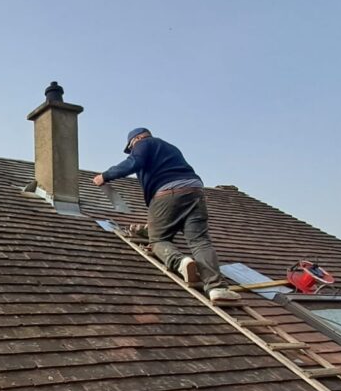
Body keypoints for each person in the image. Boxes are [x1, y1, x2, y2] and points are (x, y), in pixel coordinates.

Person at [93, 128, 240, 303]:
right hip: (195, 191)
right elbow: (172, 221)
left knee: (158, 241)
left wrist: (105, 176)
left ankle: (180, 262)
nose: (132, 149)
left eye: (131, 146)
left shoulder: (144, 144)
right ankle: (217, 288)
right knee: (200, 241)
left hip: (168, 192)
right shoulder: (170, 148)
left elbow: (134, 162)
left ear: (138, 138)